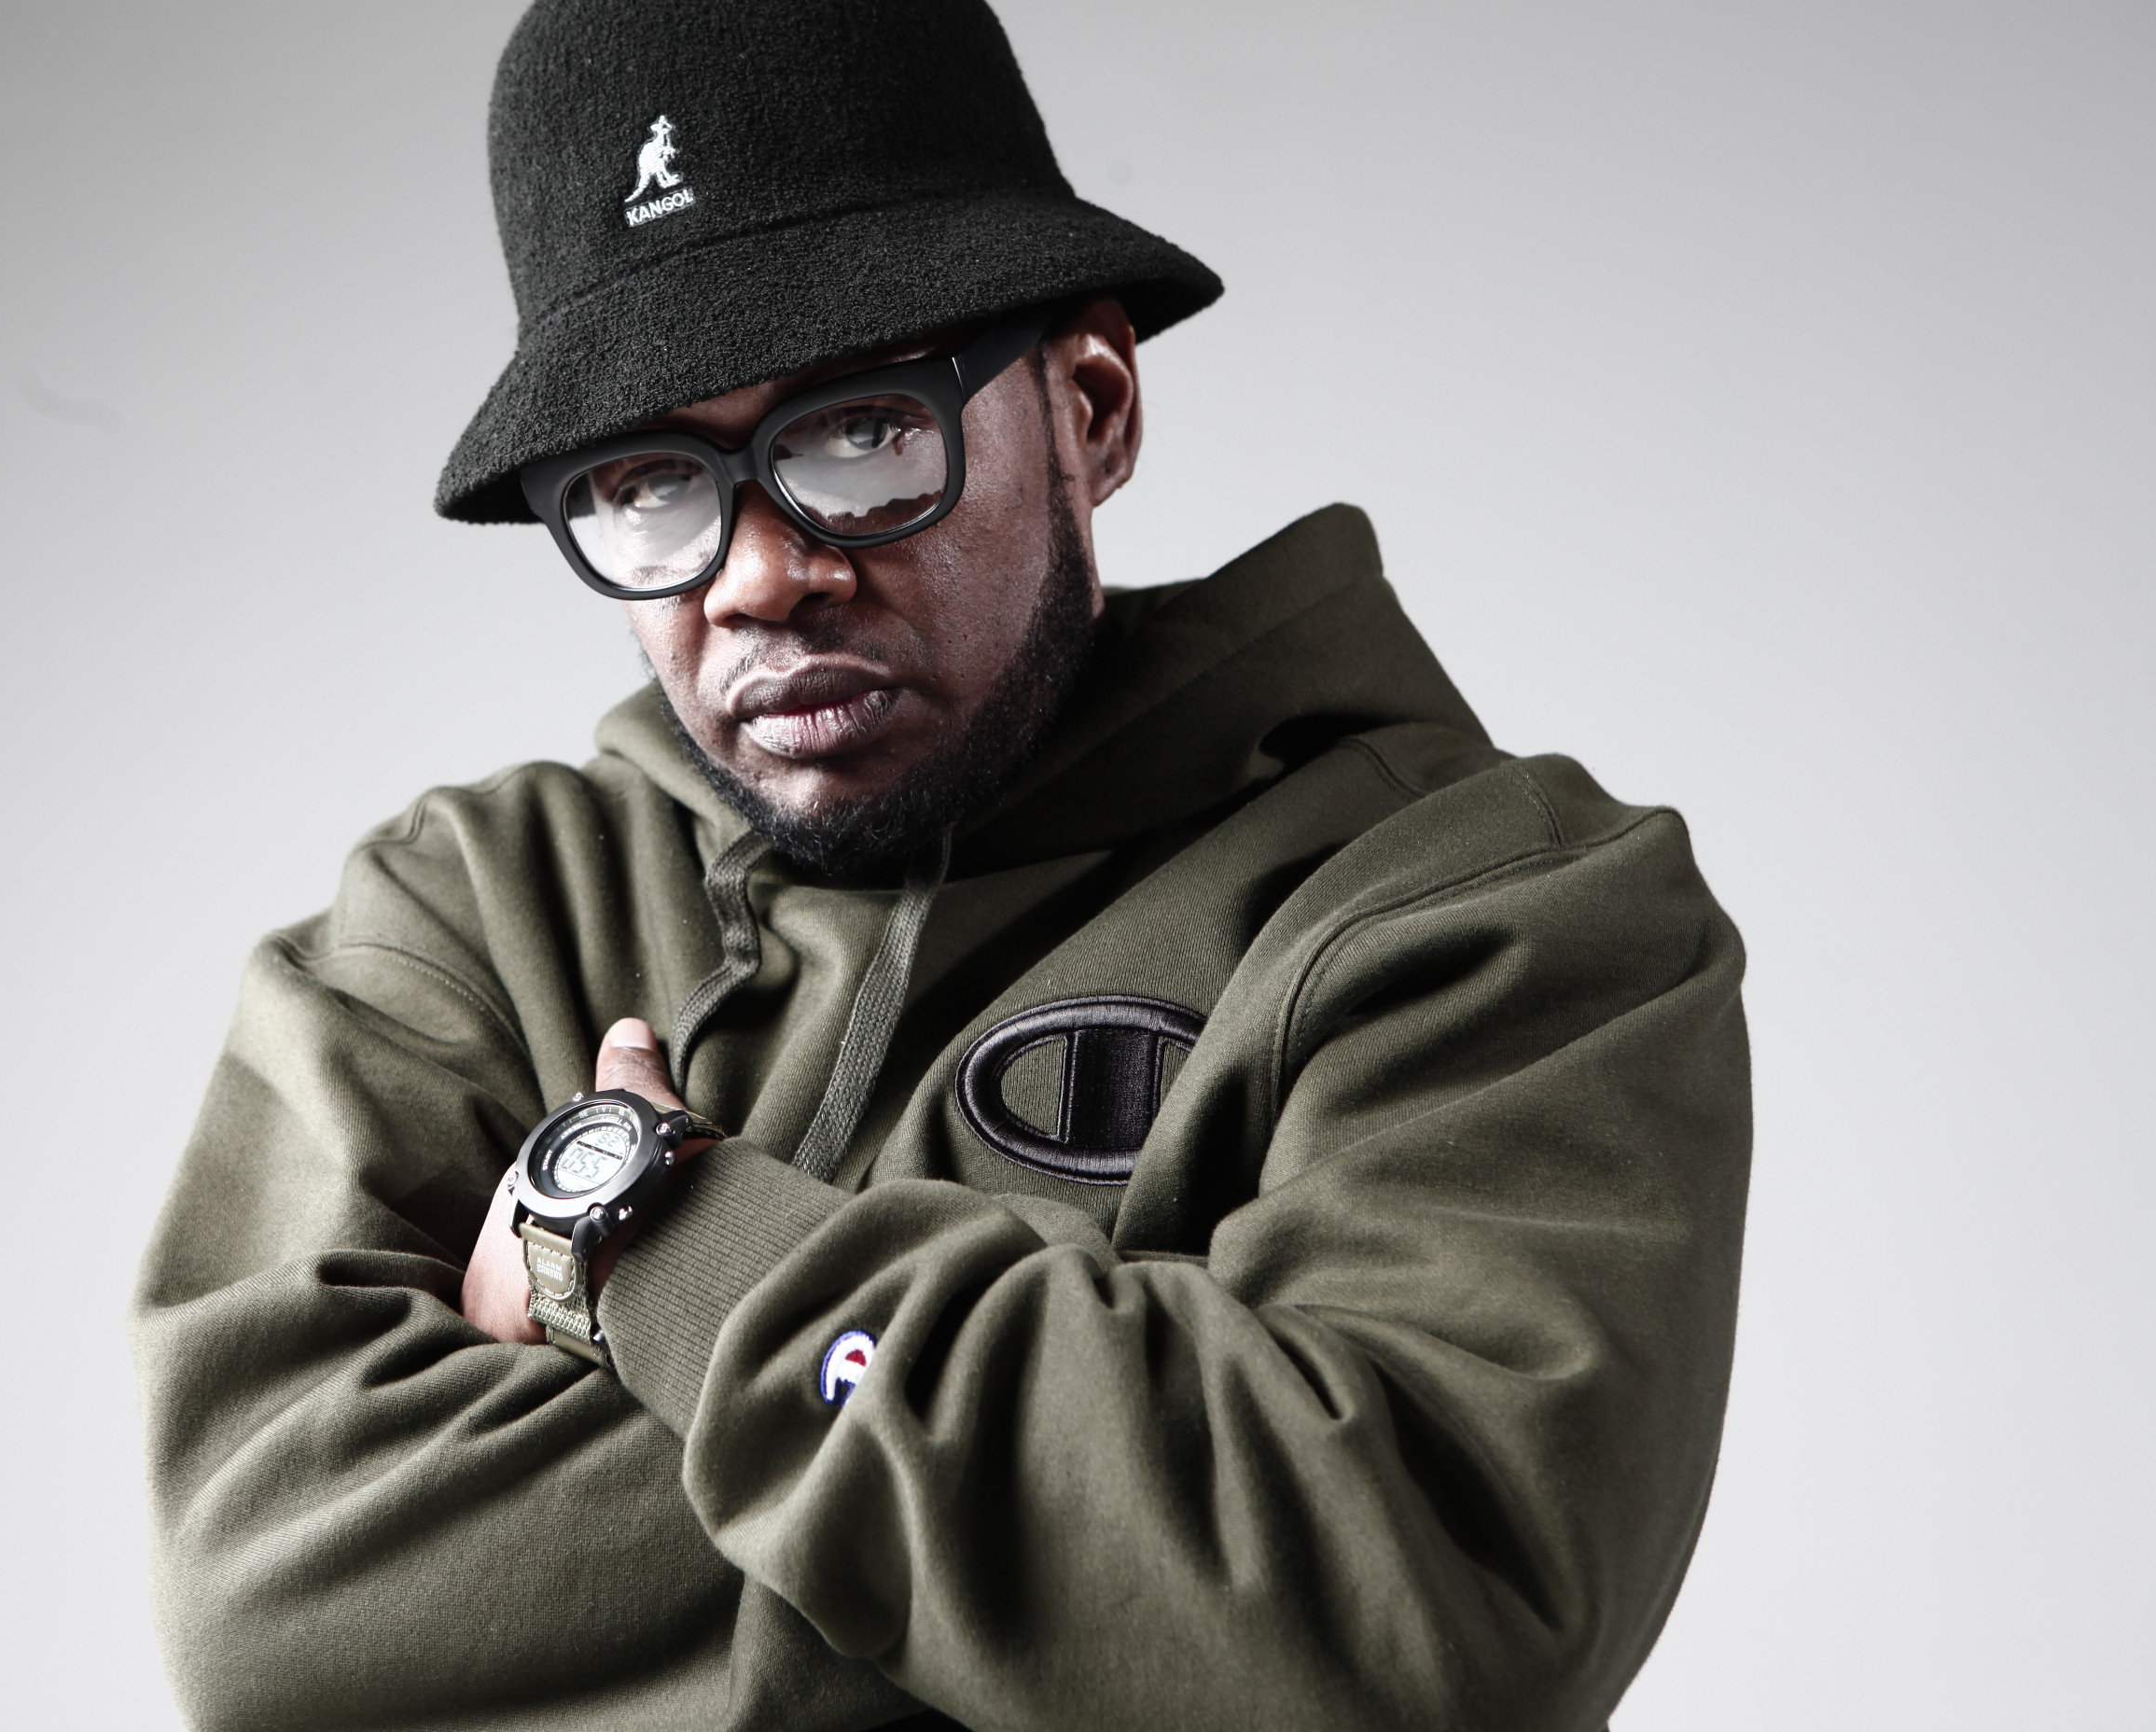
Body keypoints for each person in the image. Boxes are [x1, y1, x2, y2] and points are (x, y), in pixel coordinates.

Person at [132, 3, 1751, 1728]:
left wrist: (652, 1236)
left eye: (860, 432)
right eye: (649, 481)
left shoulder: (1491, 911)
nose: (758, 576)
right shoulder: (468, 917)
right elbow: (264, 1602)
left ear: (1093, 408)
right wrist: (1098, 1571)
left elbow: (1402, 1624)